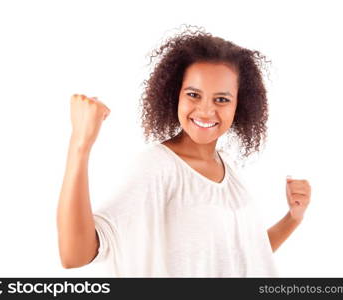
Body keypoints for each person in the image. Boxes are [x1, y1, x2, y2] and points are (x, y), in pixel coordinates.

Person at [56, 25, 312, 277]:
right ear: (174, 95)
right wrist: (80, 144)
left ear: (239, 104)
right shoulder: (157, 167)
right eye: (193, 94)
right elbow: (74, 254)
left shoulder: (227, 167)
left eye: (221, 99)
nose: (205, 111)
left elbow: (245, 256)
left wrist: (293, 218)